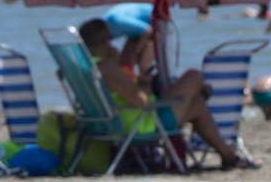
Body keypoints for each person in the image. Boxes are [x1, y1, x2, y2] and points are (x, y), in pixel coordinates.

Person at [79, 18, 253, 169]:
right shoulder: (106, 67)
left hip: (116, 121)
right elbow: (143, 101)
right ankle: (227, 152)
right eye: (110, 40)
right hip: (141, 124)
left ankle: (228, 156)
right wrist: (145, 84)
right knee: (194, 76)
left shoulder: (86, 67)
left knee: (197, 104)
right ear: (104, 42)